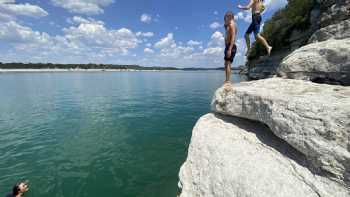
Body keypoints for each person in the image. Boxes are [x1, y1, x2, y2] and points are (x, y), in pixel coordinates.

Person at [223, 11, 237, 86]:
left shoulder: (232, 25)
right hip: (228, 46)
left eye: (225, 19)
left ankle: (228, 81)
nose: (225, 21)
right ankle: (227, 80)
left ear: (229, 17)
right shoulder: (229, 26)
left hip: (230, 46)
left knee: (227, 63)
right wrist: (226, 26)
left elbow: (233, 37)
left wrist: (230, 49)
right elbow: (228, 34)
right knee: (226, 63)